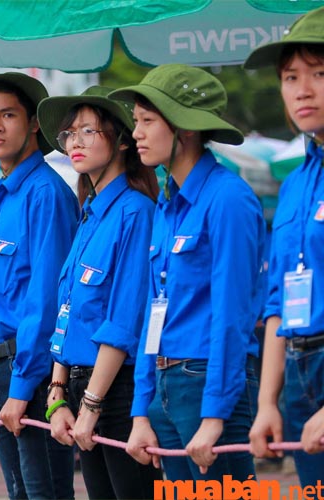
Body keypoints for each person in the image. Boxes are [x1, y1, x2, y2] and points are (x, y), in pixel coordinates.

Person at [107, 64, 265, 480]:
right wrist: (141, 410)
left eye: (147, 121)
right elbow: (151, 314)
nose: (135, 133)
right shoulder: (166, 203)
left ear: (186, 128)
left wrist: (215, 413)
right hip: (165, 383)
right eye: (135, 121)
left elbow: (234, 314)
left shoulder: (228, 198)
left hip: (207, 382)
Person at [0, 72, 79, 499]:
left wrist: (23, 387)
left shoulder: (45, 193)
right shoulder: (5, 195)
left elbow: (46, 300)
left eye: (8, 114)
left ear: (34, 123)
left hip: (37, 373)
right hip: (5, 371)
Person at [37, 86, 162, 499]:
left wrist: (90, 405)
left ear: (122, 139)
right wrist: (58, 396)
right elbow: (68, 313)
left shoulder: (136, 211)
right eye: (69, 133)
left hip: (116, 390)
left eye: (89, 130)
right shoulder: (88, 214)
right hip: (78, 388)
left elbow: (124, 321)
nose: (75, 141)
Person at [244, 6, 324, 484]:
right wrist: (267, 403)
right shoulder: (295, 183)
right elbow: (277, 302)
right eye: (291, 77)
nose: (303, 89)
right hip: (298, 371)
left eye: (319, 73)